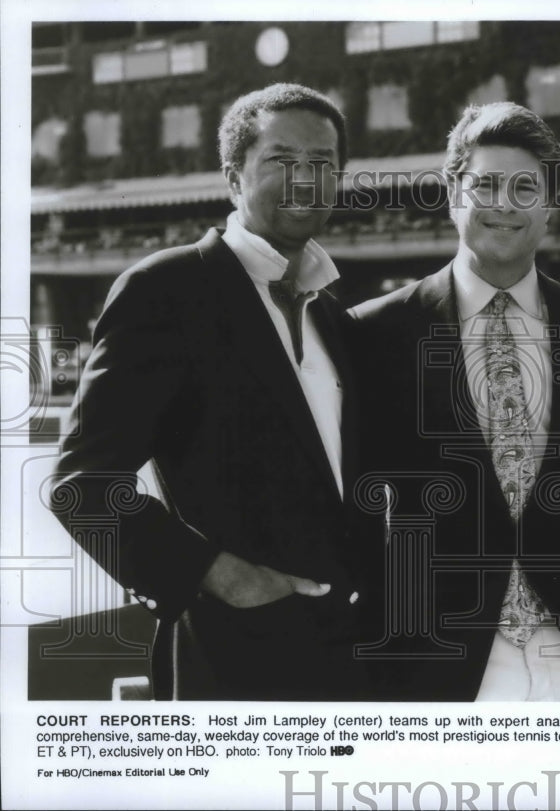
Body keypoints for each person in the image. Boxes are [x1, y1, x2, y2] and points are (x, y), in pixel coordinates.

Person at [49, 83, 377, 700]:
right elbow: (82, 486)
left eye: (323, 164)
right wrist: (223, 577)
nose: (305, 179)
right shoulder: (166, 290)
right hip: (233, 659)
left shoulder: (332, 313)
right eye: (281, 161)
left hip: (348, 660)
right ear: (233, 177)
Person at [350, 102, 560, 701]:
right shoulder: (374, 332)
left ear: (549, 204)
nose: (504, 204)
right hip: (440, 661)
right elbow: (355, 504)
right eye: (485, 184)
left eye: (524, 187)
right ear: (452, 192)